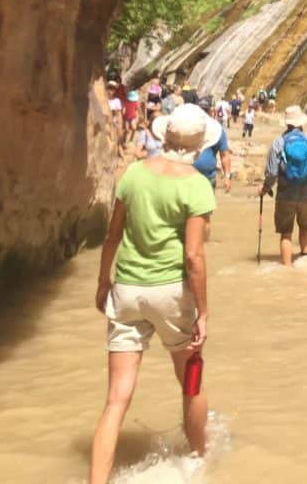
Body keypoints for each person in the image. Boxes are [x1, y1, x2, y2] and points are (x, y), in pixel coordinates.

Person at [89, 103, 217, 484]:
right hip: (171, 295)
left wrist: (102, 281)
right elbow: (194, 256)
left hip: (126, 290)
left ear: (165, 136)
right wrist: (204, 312)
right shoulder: (197, 184)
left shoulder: (133, 174)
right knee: (191, 383)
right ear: (198, 145)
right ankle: (197, 462)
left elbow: (112, 235)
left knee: (116, 400)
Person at [259, 105, 307, 265]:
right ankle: (305, 260)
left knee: (286, 233)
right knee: (304, 227)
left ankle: (287, 268)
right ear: (301, 123)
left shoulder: (278, 143)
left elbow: (272, 173)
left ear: (287, 123)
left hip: (285, 195)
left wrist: (265, 188)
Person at [193, 98, 232, 193]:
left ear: (210, 111)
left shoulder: (217, 129)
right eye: (200, 110)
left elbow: (225, 155)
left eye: (205, 110)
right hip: (187, 178)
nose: (203, 113)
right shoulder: (187, 127)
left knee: (206, 207)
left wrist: (227, 177)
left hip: (208, 179)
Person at [107, 80, 124, 154]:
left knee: (116, 143)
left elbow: (119, 115)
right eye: (109, 88)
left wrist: (120, 127)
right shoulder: (103, 99)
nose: (110, 91)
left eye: (113, 89)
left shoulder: (116, 101)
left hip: (113, 125)